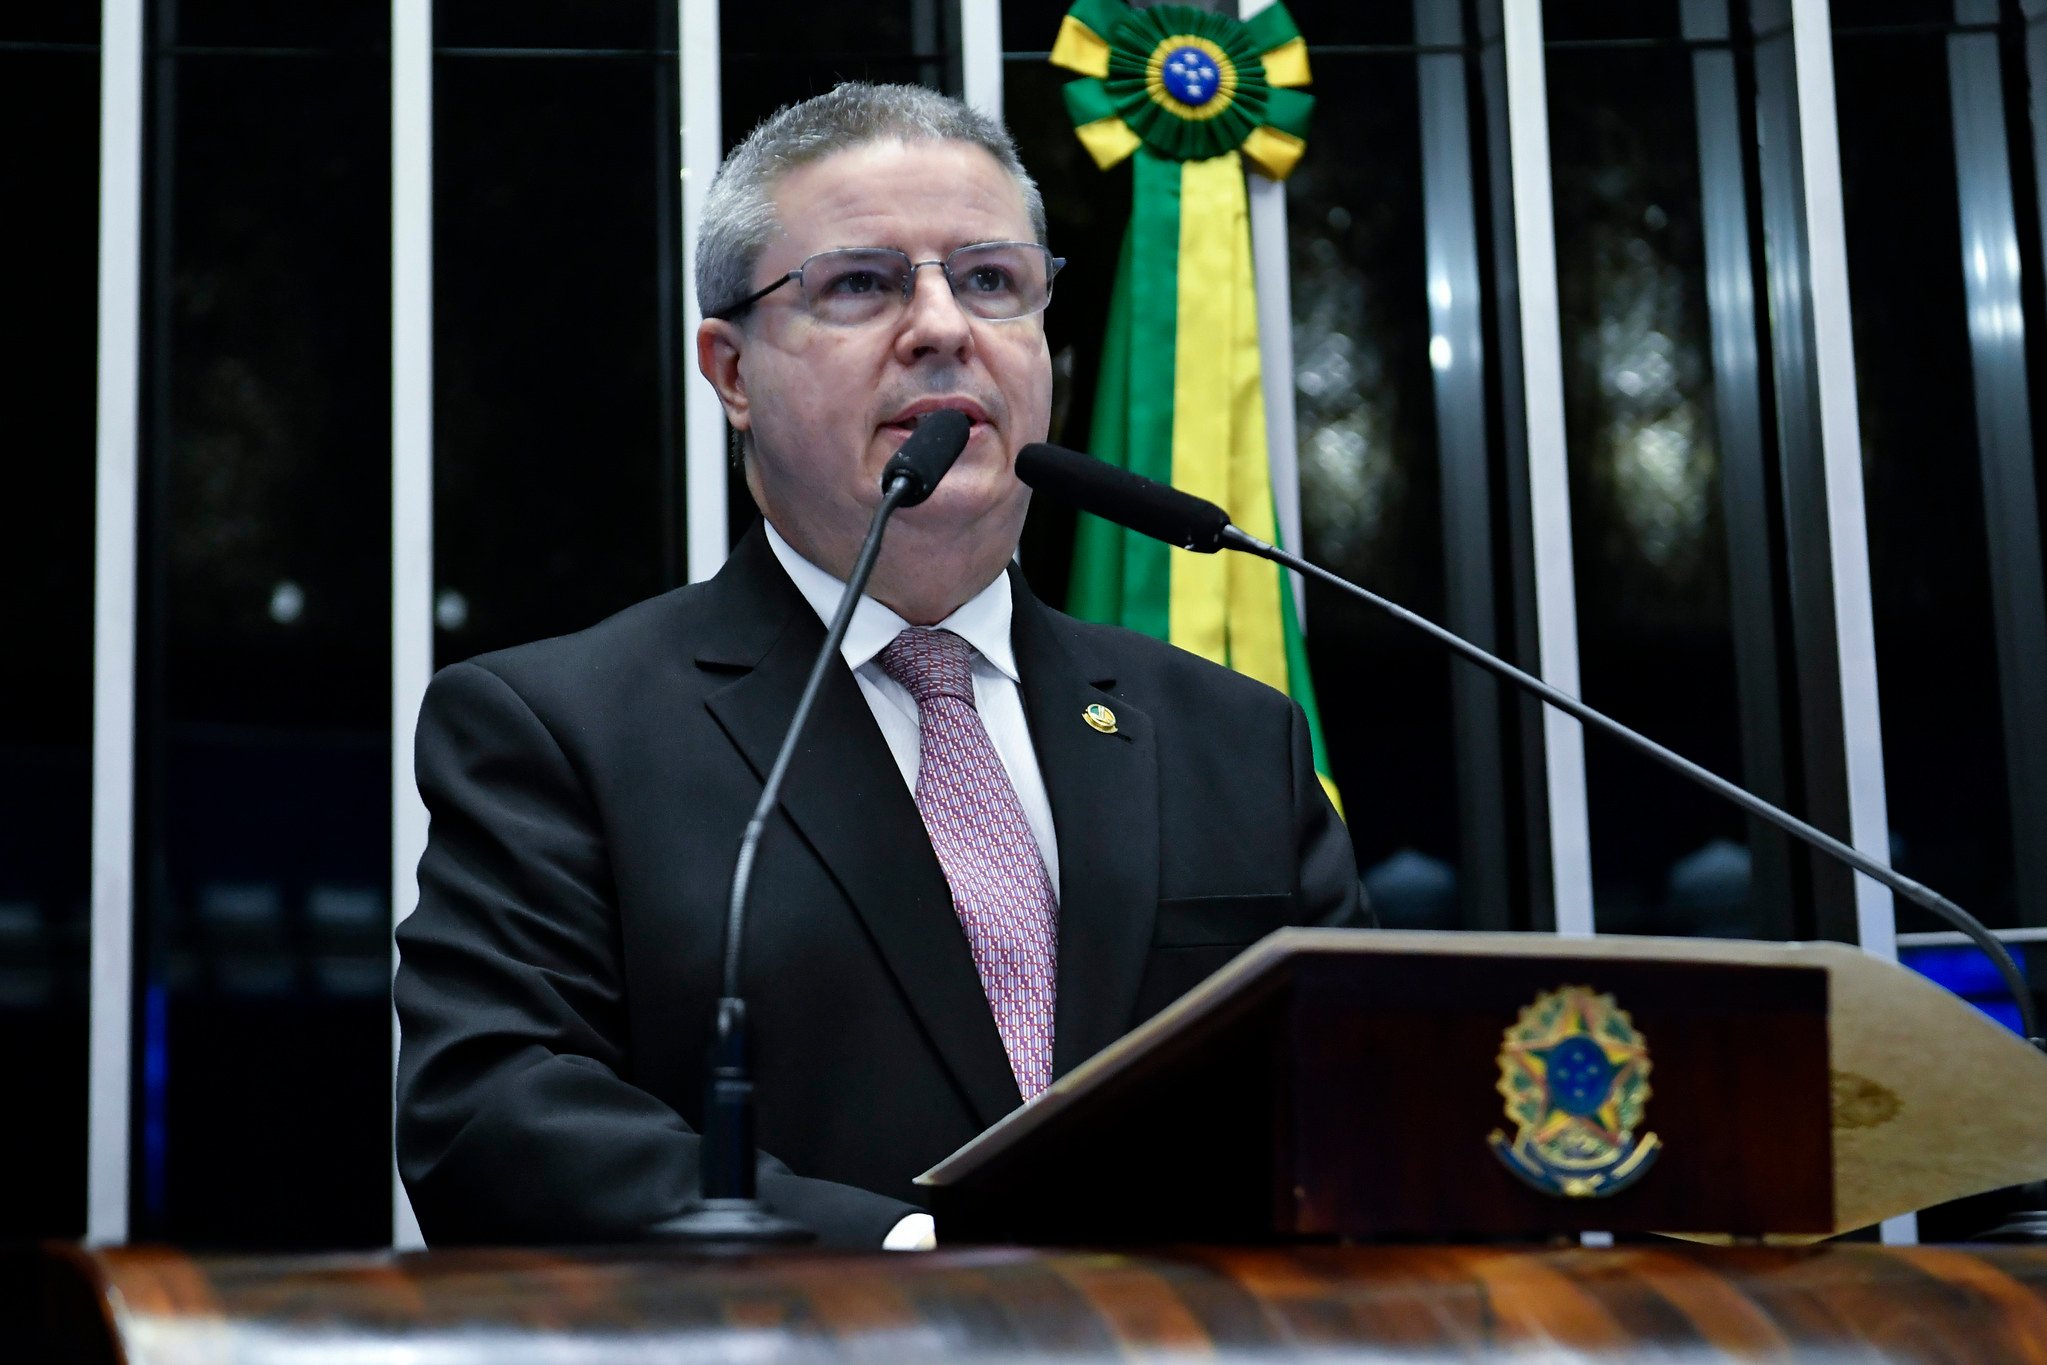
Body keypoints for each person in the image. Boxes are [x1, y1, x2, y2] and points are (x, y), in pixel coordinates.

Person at [394, 82, 1363, 1250]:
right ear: (732, 371)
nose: (944, 327)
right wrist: (905, 1260)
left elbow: (1363, 1091)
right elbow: (494, 1118)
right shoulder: (560, 730)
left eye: (993, 281)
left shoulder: (1228, 734)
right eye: (862, 283)